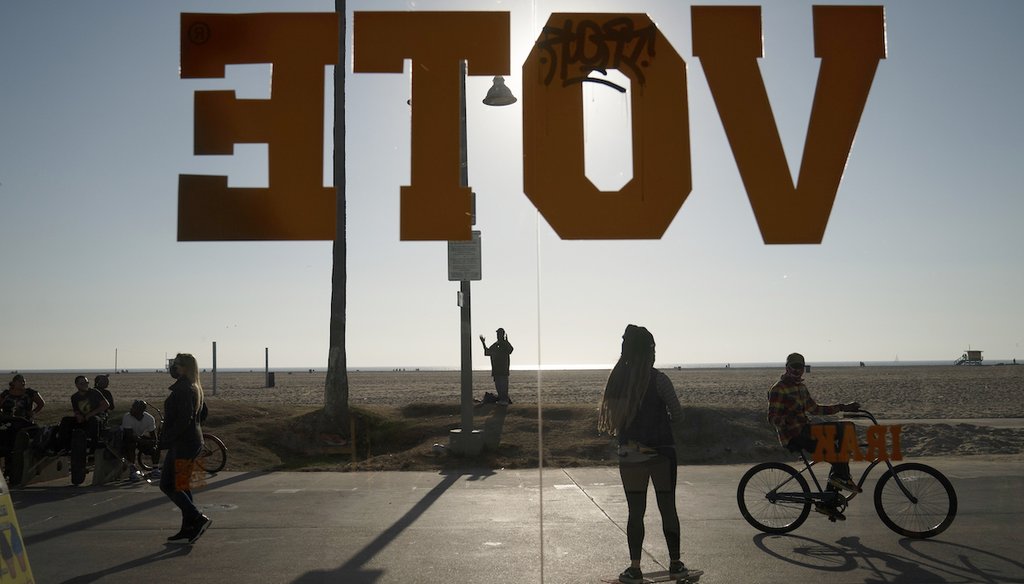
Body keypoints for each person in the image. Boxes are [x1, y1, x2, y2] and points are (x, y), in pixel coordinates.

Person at [598, 325, 688, 584]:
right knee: (667, 507)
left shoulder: (617, 380)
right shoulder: (659, 379)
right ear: (649, 351)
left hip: (631, 452)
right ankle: (675, 564)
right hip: (662, 451)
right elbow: (678, 415)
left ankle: (635, 568)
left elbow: (615, 419)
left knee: (635, 511)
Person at [767, 352, 861, 520]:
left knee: (843, 439)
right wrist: (792, 417)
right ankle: (843, 477)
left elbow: (815, 409)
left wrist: (843, 407)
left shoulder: (801, 387)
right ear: (787, 368)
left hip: (806, 430)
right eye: (794, 367)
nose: (797, 370)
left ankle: (829, 502)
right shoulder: (778, 389)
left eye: (800, 367)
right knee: (843, 432)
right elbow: (772, 418)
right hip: (795, 435)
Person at [159, 353, 211, 544]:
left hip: (183, 443)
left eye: (177, 365)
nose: (173, 368)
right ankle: (188, 527)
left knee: (167, 484)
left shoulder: (183, 389)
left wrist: (167, 437)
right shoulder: (194, 387)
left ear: (185, 368)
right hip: (192, 441)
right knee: (182, 485)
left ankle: (197, 518)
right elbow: (202, 414)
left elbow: (184, 419)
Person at [0, 375, 45, 481]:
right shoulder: (6, 394)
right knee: (6, 439)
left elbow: (41, 403)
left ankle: (13, 470)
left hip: (23, 421)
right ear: (14, 383)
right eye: (20, 381)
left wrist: (33, 413)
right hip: (8, 421)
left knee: (17, 438)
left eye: (24, 382)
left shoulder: (30, 393)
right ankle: (8, 468)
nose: (23, 384)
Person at [49, 375, 109, 453]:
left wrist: (90, 414)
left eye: (86, 382)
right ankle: (62, 446)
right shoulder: (74, 397)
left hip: (96, 417)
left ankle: (93, 447)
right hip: (84, 419)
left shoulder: (94, 392)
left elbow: (106, 405)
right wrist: (78, 415)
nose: (85, 384)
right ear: (77, 385)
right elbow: (76, 410)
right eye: (82, 383)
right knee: (65, 420)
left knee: (93, 420)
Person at [120, 400, 157, 482]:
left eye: (134, 408)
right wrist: (143, 442)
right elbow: (129, 435)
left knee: (155, 447)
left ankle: (155, 469)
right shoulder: (127, 417)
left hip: (138, 436)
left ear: (141, 410)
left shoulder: (149, 418)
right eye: (132, 407)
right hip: (125, 437)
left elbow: (153, 435)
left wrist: (152, 442)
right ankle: (132, 471)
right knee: (131, 445)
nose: (131, 409)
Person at [479, 327, 514, 404]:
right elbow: (487, 352)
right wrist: (483, 343)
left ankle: (504, 400)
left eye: (499, 334)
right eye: (498, 334)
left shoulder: (505, 344)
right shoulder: (495, 345)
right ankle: (502, 400)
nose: (498, 335)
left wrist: (507, 341)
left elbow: (511, 350)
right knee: (499, 387)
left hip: (503, 370)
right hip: (497, 371)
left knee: (503, 387)